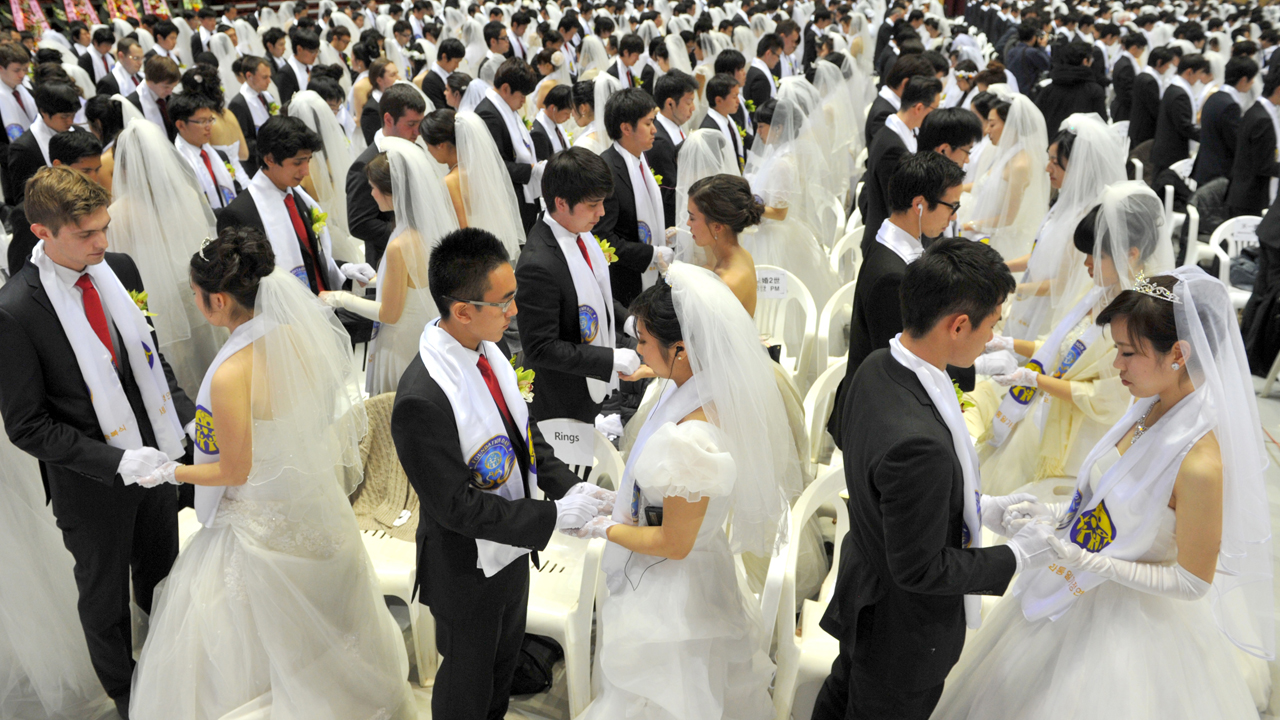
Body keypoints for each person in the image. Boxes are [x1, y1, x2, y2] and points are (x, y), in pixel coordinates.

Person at [932, 266, 1272, 718]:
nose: (1117, 366)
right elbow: (1111, 495)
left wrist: (1093, 561)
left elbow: (1193, 581)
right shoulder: (1150, 403)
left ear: (1178, 353)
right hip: (1077, 582)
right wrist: (1051, 513)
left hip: (1133, 625)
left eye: (1129, 353)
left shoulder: (1201, 463)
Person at [129, 228, 417, 720]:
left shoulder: (229, 374)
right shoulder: (299, 338)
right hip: (310, 506)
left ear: (216, 300)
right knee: (326, 632)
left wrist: (170, 471)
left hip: (256, 522)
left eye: (196, 296)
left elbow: (234, 468)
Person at [812, 237, 1056, 720]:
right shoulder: (917, 443)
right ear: (958, 324)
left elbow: (893, 499)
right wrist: (1017, 555)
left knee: (842, 697)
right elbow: (920, 569)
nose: (992, 338)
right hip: (900, 631)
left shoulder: (880, 365)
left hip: (867, 587)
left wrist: (983, 508)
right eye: (991, 326)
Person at [0, 167, 195, 720]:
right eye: (86, 234)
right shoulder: (14, 311)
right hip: (92, 485)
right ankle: (128, 698)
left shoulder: (118, 269)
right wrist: (116, 460)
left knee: (163, 579)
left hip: (156, 462)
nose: (102, 243)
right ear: (42, 232)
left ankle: (171, 674)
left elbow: (152, 364)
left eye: (104, 228)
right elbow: (27, 425)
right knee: (105, 601)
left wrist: (187, 426)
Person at [570, 260, 800, 720]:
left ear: (681, 349)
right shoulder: (698, 390)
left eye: (643, 342)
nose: (636, 351)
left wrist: (605, 529)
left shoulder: (691, 439)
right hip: (697, 573)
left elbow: (673, 544)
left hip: (673, 595)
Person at [391, 228, 605, 720]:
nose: (514, 312)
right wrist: (552, 516)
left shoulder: (490, 350)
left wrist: (572, 487)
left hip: (511, 548)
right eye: (504, 302)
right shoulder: (423, 397)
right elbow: (456, 507)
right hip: (467, 566)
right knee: (467, 685)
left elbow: (523, 438)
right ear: (463, 310)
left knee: (501, 673)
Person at [968, 181, 1174, 497]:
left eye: (1095, 256)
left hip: (1080, 434)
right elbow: (1059, 349)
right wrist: (1011, 345)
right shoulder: (1097, 293)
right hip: (1049, 408)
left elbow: (1106, 398)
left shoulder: (1138, 317)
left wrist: (1035, 380)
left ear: (1130, 254)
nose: (1086, 264)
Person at [830, 152, 975, 448]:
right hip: (878, 419)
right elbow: (906, 362)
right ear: (919, 205)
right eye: (952, 206)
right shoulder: (892, 277)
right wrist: (972, 362)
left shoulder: (896, 242)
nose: (954, 216)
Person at [515, 146, 641, 427]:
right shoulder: (538, 264)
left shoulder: (579, 232)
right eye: (593, 204)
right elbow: (540, 347)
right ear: (561, 203)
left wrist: (629, 321)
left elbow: (598, 294)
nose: (602, 212)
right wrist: (609, 359)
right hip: (562, 399)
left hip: (589, 387)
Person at [323, 138, 456, 394]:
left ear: (393, 192)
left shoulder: (399, 244)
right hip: (423, 333)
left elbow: (389, 314)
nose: (371, 194)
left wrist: (339, 298)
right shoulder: (423, 230)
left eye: (374, 188)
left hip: (401, 343)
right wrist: (375, 280)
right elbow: (412, 283)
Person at [217, 116, 375, 295]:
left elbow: (309, 257)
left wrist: (344, 269)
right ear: (269, 159)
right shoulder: (239, 213)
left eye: (308, 160)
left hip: (322, 304)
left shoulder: (298, 195)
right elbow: (244, 288)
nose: (306, 171)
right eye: (298, 162)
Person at [596, 87, 673, 306]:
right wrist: (650, 253)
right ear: (626, 128)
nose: (654, 130)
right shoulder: (608, 170)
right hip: (625, 286)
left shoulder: (641, 161)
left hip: (649, 281)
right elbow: (603, 238)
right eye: (648, 123)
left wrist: (661, 234)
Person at [960, 87, 1050, 260]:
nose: (986, 130)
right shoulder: (1005, 153)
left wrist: (967, 226)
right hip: (984, 232)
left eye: (992, 124)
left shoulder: (1020, 164)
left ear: (1010, 126)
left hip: (1002, 243)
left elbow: (1008, 218)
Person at [423, 108, 526, 256]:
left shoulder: (451, 181)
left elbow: (462, 232)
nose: (428, 150)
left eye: (428, 145)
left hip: (472, 255)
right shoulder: (482, 170)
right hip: (492, 247)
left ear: (441, 145)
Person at [347, 83, 426, 269]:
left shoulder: (417, 149)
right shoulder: (364, 164)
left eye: (420, 124)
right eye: (411, 125)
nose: (418, 132)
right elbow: (360, 222)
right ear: (389, 120)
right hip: (387, 259)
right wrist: (407, 235)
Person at [861, 76, 942, 254]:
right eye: (935, 109)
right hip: (888, 244)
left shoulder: (899, 132)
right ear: (919, 108)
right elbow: (898, 206)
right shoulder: (892, 148)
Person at [476, 58, 545, 231]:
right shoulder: (488, 114)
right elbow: (495, 165)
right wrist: (532, 169)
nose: (524, 102)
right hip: (507, 197)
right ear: (506, 88)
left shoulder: (505, 108)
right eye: (522, 96)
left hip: (520, 193)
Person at [684, 173, 762, 315]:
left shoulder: (729, 282)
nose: (688, 223)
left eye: (692, 218)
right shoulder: (740, 254)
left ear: (717, 227)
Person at [4, 80, 82, 205]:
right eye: (64, 117)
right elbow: (23, 200)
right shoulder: (24, 148)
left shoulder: (78, 132)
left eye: (73, 115)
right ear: (44, 112)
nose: (70, 121)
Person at [170, 92, 241, 211]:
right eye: (202, 121)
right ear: (181, 125)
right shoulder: (177, 165)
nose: (209, 126)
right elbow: (191, 209)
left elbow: (236, 189)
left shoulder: (219, 155)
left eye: (210, 120)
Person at [1193, 56, 1255, 187]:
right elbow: (1235, 142)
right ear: (1244, 80)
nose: (1253, 83)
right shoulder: (1230, 105)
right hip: (1219, 173)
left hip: (1205, 168)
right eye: (1252, 79)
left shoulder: (1214, 97)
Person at [1227, 67, 1280, 218]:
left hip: (1244, 192)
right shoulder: (1263, 119)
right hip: (1250, 197)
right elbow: (1264, 165)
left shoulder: (1256, 110)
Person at [1033, 41, 1107, 140]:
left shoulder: (1048, 89)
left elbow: (1035, 120)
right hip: (1082, 148)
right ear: (1085, 61)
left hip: (1051, 148)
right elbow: (1101, 126)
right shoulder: (1094, 91)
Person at [650, 70, 696, 226]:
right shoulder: (658, 140)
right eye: (689, 102)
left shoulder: (676, 126)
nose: (693, 108)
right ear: (670, 103)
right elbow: (669, 194)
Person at [1151, 53, 1208, 176]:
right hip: (1171, 152)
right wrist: (1207, 136)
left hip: (1167, 149)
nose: (1199, 78)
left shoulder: (1174, 87)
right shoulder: (1179, 94)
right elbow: (1185, 126)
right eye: (1199, 73)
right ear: (1189, 72)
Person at [698, 72, 746, 170]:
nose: (738, 101)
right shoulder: (709, 130)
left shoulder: (728, 120)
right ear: (719, 100)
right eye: (734, 97)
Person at [1129, 47, 1174, 148]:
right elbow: (1155, 109)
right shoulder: (1149, 81)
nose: (1168, 68)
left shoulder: (1143, 76)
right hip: (1144, 131)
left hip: (1138, 128)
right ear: (1159, 62)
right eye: (1167, 64)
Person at [1109, 31, 1147, 123]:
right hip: (1124, 110)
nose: (1142, 52)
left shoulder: (1124, 61)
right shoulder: (1126, 65)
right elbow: (1127, 93)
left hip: (1123, 107)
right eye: (1142, 49)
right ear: (1134, 48)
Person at [530, 83, 573, 160]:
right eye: (566, 113)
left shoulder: (554, 122)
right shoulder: (538, 133)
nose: (568, 117)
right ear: (553, 108)